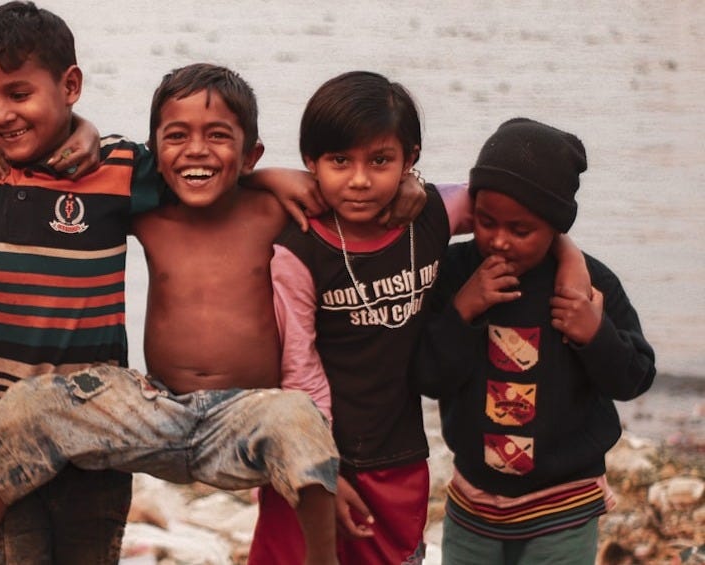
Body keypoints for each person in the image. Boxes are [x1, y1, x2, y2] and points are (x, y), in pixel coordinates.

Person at [0, 63, 352, 565]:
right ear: (155, 156)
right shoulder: (146, 213)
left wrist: (410, 190)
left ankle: (324, 560)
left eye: (218, 136)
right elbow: (74, 161)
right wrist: (75, 130)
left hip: (246, 414)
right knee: (24, 406)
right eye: (177, 136)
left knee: (299, 416)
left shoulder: (273, 211)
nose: (196, 150)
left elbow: (363, 201)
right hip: (156, 407)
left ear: (251, 154)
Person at [248, 73, 590, 564]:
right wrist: (319, 470)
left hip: (398, 455)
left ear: (410, 157)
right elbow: (299, 369)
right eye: (339, 161)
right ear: (310, 162)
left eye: (381, 161)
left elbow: (524, 204)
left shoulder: (430, 215)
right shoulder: (299, 247)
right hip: (312, 453)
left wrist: (569, 254)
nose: (361, 180)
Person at [413, 118, 655, 564]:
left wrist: (594, 334)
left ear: (554, 229)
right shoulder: (454, 273)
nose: (499, 241)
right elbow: (429, 377)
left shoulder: (588, 286)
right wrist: (463, 310)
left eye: (520, 230)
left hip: (564, 505)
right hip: (474, 503)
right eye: (485, 222)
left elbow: (634, 377)